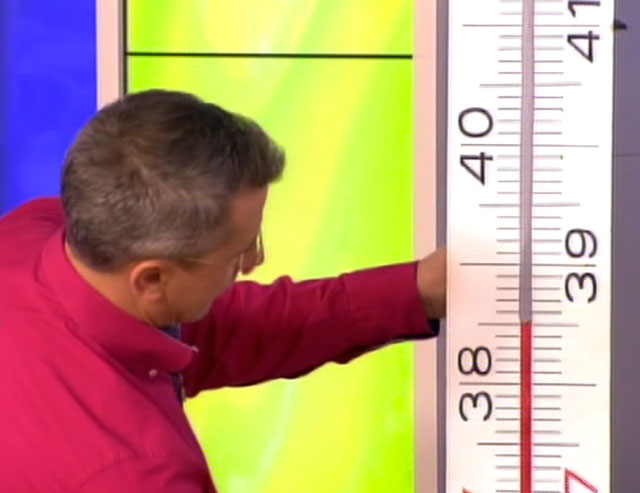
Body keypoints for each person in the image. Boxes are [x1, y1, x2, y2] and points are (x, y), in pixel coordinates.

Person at [0, 90, 445, 492]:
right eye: (237, 253)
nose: (255, 260)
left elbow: (230, 329)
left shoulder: (36, 231)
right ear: (151, 279)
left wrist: (416, 291)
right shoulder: (134, 475)